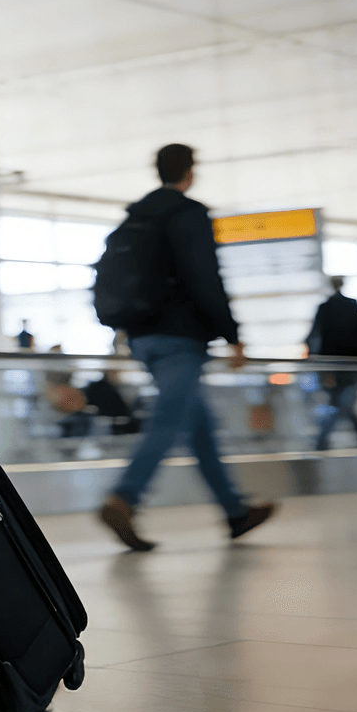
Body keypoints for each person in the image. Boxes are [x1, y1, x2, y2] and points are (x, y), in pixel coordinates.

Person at [97, 144, 277, 552]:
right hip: (180, 337)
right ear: (190, 172)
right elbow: (205, 277)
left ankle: (235, 512)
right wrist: (231, 334)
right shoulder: (188, 213)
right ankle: (124, 498)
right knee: (169, 420)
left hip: (142, 337)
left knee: (198, 427)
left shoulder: (135, 218)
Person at [305, 276, 357, 451]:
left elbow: (314, 335)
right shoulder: (351, 305)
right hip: (351, 362)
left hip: (331, 364)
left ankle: (322, 439)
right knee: (342, 402)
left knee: (338, 402)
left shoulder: (325, 307)